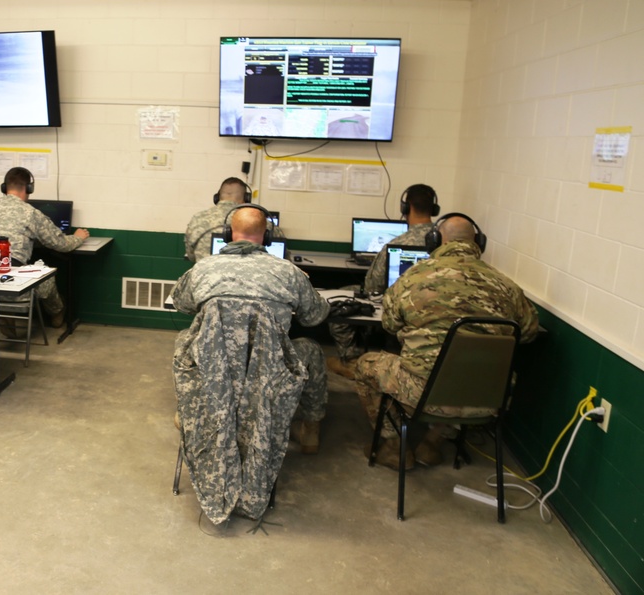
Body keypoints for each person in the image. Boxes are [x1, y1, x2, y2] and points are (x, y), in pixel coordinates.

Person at [355, 213, 540, 469]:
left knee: (365, 365)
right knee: (464, 372)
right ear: (479, 243)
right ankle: (433, 442)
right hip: (486, 399)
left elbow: (389, 324)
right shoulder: (507, 286)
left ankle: (394, 446)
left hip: (422, 395)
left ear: (434, 241)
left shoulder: (412, 278)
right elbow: (529, 333)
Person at [172, 204, 330, 456]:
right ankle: (310, 428)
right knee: (311, 349)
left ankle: (188, 409)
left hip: (217, 373)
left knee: (184, 340)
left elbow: (181, 304)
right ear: (267, 236)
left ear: (228, 233)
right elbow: (315, 317)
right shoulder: (289, 272)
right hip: (270, 374)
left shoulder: (203, 268)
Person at [326, 184, 440, 379]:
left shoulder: (397, 243)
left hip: (398, 307)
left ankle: (350, 360)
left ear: (406, 208)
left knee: (338, 302)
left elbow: (373, 287)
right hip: (434, 308)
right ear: (434, 210)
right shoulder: (445, 241)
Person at [0, 167, 89, 328]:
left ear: (4, 188)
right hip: (15, 284)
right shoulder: (30, 213)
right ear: (29, 188)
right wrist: (78, 237)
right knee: (47, 277)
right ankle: (57, 312)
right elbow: (61, 244)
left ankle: (4, 314)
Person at [183, 177, 251, 263]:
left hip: (204, 274)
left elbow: (191, 256)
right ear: (247, 198)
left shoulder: (197, 218)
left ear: (217, 197)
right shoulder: (254, 221)